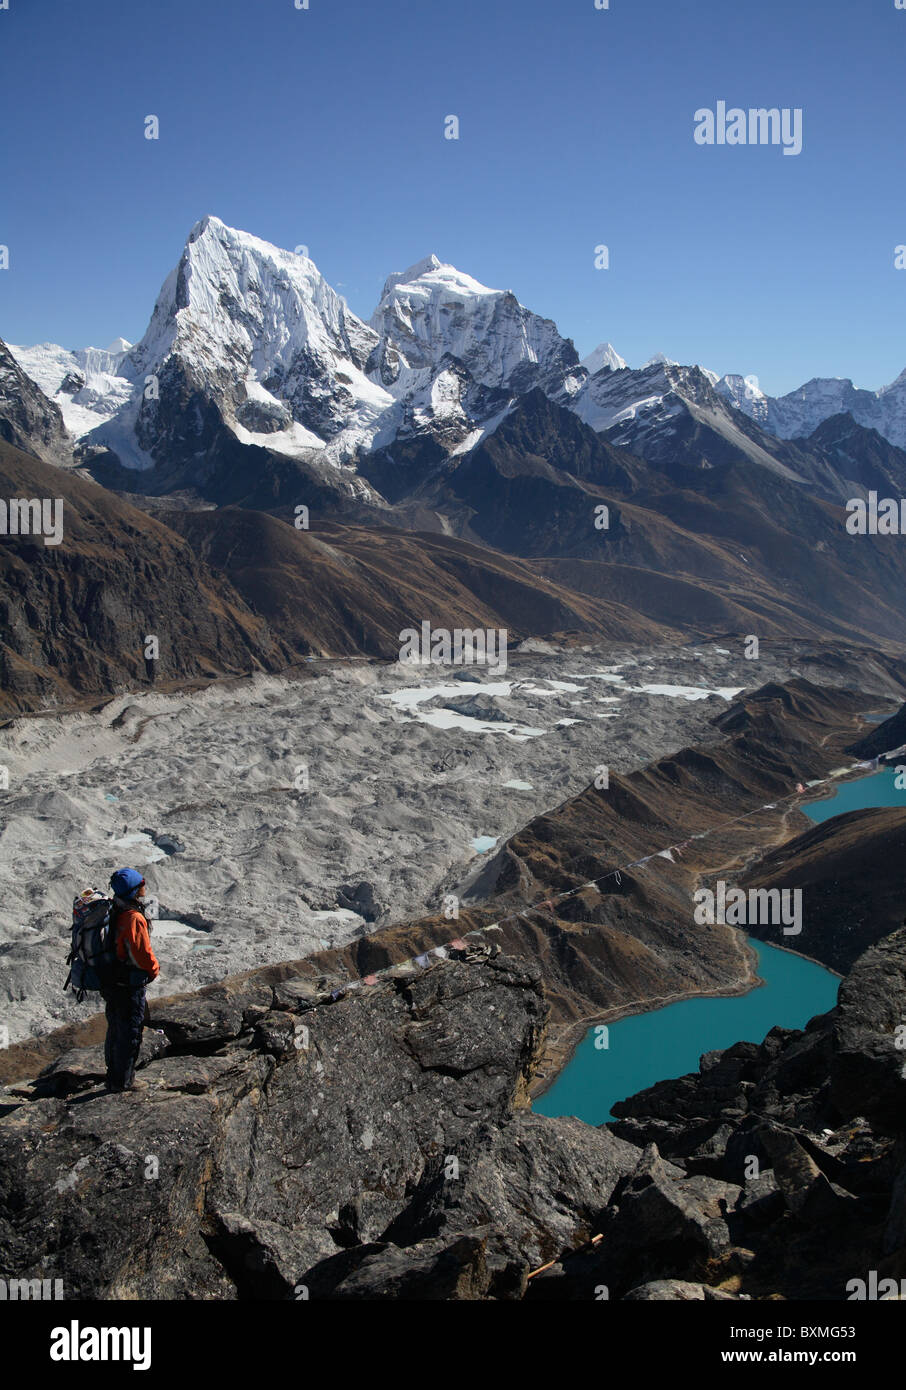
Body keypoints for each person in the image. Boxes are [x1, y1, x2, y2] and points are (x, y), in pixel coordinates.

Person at [102, 867, 160, 1092]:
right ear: (135, 889)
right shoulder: (133, 917)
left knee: (115, 1027)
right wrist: (153, 971)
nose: (145, 885)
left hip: (111, 980)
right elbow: (142, 953)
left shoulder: (114, 908)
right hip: (129, 983)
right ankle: (123, 1082)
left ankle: (113, 1074)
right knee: (130, 1032)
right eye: (142, 882)